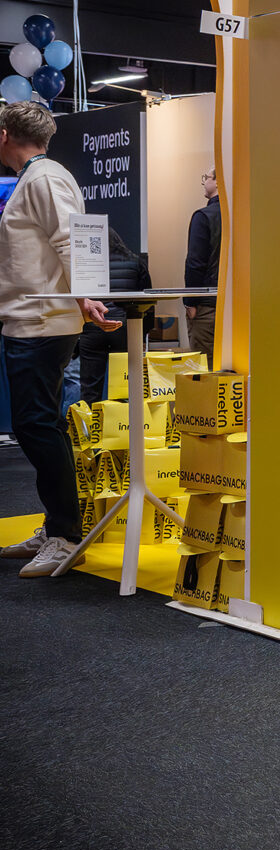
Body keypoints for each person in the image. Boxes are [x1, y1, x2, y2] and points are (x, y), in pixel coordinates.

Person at [0, 104, 119, 578]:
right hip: (31, 320)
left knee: (36, 426)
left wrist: (88, 299)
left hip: (43, 323)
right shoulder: (37, 176)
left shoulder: (44, 177)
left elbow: (75, 239)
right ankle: (57, 526)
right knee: (38, 424)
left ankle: (66, 535)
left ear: (5, 133)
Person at [75, 228, 150, 403]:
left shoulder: (86, 264)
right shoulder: (135, 261)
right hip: (124, 327)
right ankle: (123, 427)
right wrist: (144, 333)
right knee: (123, 386)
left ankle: (90, 427)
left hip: (93, 326)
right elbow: (146, 300)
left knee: (90, 386)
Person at [184, 165, 219, 358]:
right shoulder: (242, 214)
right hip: (238, 305)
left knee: (207, 371)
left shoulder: (203, 217)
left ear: (218, 181)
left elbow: (195, 264)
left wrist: (191, 302)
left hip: (207, 307)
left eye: (206, 177)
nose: (204, 182)